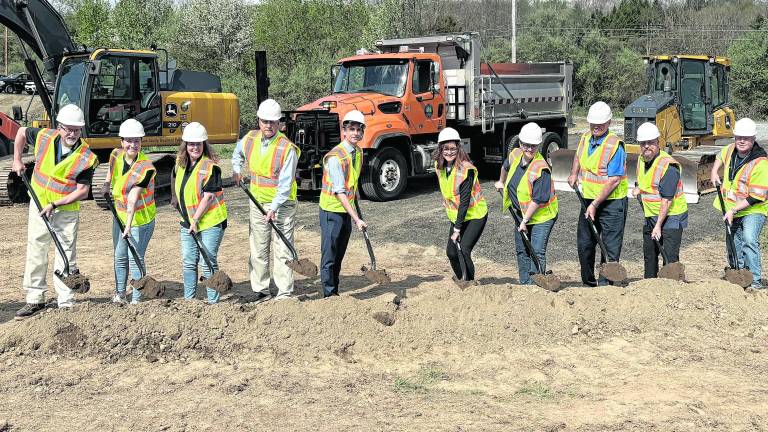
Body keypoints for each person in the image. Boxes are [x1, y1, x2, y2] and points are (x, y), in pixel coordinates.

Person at [11, 104, 99, 319]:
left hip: (65, 211)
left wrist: (55, 204)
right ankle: (35, 299)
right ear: (59, 127)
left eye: (76, 130)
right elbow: (21, 132)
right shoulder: (44, 137)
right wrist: (17, 159)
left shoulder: (86, 158)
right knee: (36, 249)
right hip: (39, 203)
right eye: (68, 129)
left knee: (66, 253)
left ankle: (66, 303)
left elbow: (82, 191)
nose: (72, 134)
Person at [232, 99, 300, 301]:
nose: (268, 125)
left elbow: (285, 185)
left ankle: (284, 292)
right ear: (259, 120)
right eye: (264, 121)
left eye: (272, 122)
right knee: (258, 247)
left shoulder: (286, 148)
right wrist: (236, 170)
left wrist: (274, 208)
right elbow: (237, 154)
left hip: (282, 205)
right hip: (257, 202)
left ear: (279, 123)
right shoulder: (250, 139)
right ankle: (261, 290)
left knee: (282, 248)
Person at [567, 101, 628, 286]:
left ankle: (605, 285)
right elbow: (578, 156)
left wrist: (595, 204)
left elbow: (614, 180)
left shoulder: (615, 146)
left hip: (612, 203)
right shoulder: (585, 137)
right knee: (585, 244)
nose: (596, 126)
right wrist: (574, 173)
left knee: (609, 248)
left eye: (601, 123)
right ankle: (588, 283)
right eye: (593, 123)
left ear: (609, 122)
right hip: (588, 200)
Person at [171, 122, 228, 303]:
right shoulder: (180, 163)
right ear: (185, 145)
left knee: (207, 260)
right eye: (191, 144)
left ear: (204, 144)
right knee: (189, 261)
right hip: (187, 220)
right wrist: (174, 196)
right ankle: (189, 300)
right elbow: (174, 176)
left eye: (198, 144)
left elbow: (209, 197)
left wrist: (195, 220)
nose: (194, 147)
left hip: (210, 221)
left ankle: (213, 301)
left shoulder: (211, 167)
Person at [495, 123, 558, 284]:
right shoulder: (516, 154)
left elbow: (537, 200)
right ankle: (525, 284)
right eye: (526, 145)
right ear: (520, 143)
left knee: (536, 251)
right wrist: (501, 181)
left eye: (533, 146)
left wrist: (524, 221)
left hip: (542, 217)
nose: (530, 149)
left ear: (538, 145)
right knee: (522, 250)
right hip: (521, 213)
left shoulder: (541, 168)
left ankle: (536, 285)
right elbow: (505, 166)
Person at [102, 119, 156, 304]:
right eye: (129, 141)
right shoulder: (116, 154)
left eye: (137, 141)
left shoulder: (146, 167)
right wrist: (106, 184)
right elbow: (111, 170)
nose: (133, 145)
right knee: (119, 256)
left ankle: (137, 299)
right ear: (122, 141)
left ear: (141, 142)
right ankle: (120, 294)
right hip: (120, 215)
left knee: (135, 258)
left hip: (140, 220)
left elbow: (133, 198)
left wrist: (128, 227)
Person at [710, 118, 768, 289]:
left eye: (746, 138)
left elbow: (755, 197)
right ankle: (739, 277)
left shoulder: (760, 162)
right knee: (733, 243)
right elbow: (720, 155)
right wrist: (714, 171)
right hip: (731, 208)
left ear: (753, 138)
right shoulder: (730, 149)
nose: (742, 141)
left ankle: (755, 281)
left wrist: (733, 210)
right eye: (738, 137)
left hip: (753, 209)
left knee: (749, 240)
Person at [318, 110, 367, 297]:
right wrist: (357, 219)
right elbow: (339, 192)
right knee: (329, 255)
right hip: (331, 211)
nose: (355, 133)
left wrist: (355, 199)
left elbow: (352, 182)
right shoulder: (335, 157)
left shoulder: (358, 152)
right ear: (344, 131)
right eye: (351, 129)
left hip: (345, 209)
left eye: (359, 129)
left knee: (339, 255)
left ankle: (335, 291)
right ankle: (329, 295)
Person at [632, 122, 688, 278]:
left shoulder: (668, 166)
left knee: (669, 257)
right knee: (649, 254)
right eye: (643, 143)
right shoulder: (642, 160)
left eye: (650, 142)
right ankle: (650, 283)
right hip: (650, 214)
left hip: (671, 216)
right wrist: (639, 189)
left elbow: (666, 200)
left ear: (658, 142)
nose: (646, 146)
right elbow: (648, 182)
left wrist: (657, 226)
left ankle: (671, 285)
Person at [434, 127, 488, 283]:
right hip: (457, 216)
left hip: (475, 215)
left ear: (458, 148)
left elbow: (464, 202)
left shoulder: (466, 170)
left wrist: (457, 229)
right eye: (446, 148)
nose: (449, 152)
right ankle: (462, 280)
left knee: (463, 251)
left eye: (453, 148)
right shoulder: (439, 166)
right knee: (451, 253)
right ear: (440, 149)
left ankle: (470, 283)